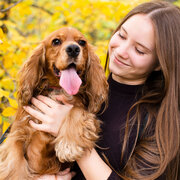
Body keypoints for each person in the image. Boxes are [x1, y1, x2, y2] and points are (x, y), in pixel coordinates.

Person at [23, 1, 180, 179]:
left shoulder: (162, 124)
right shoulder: (74, 88)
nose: (121, 51)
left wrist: (73, 136)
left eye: (139, 50)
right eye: (121, 35)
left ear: (161, 64)